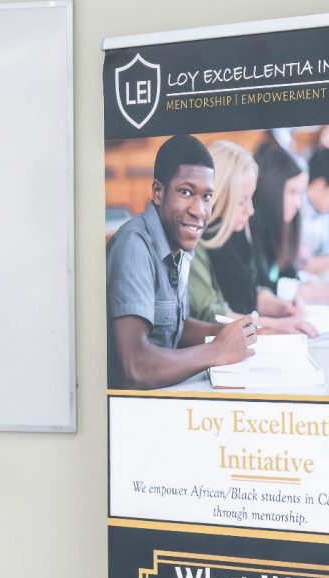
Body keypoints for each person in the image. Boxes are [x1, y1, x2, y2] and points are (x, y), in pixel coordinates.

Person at [106, 135, 255, 390]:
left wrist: (230, 334)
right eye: (186, 192)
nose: (199, 210)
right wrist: (217, 350)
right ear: (158, 192)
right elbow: (135, 366)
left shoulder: (179, 243)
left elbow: (174, 325)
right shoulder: (134, 246)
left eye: (207, 197)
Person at [188, 141, 316, 336]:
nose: (251, 210)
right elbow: (214, 315)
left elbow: (251, 292)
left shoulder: (238, 231)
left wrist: (282, 308)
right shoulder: (195, 240)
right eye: (241, 202)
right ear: (219, 198)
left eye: (250, 198)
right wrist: (275, 326)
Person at [249, 142, 307, 295]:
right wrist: (306, 290)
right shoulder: (252, 226)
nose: (299, 203)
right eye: (293, 192)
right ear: (272, 189)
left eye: (301, 194)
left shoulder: (280, 226)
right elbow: (263, 286)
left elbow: (287, 272)